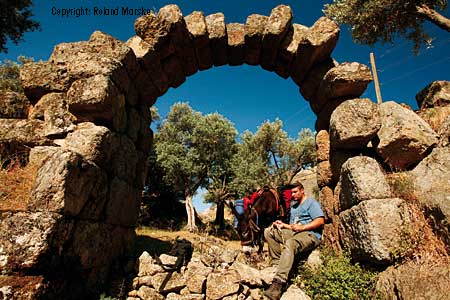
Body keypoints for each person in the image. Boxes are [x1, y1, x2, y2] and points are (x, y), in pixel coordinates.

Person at [263, 182, 325, 300]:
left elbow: (320, 221)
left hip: (310, 235)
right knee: (269, 232)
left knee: (290, 243)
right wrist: (283, 225)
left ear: (302, 190)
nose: (293, 195)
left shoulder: (311, 203)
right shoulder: (294, 207)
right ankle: (276, 264)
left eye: (295, 192)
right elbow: (293, 226)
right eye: (291, 193)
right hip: (296, 233)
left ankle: (278, 283)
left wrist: (303, 227)